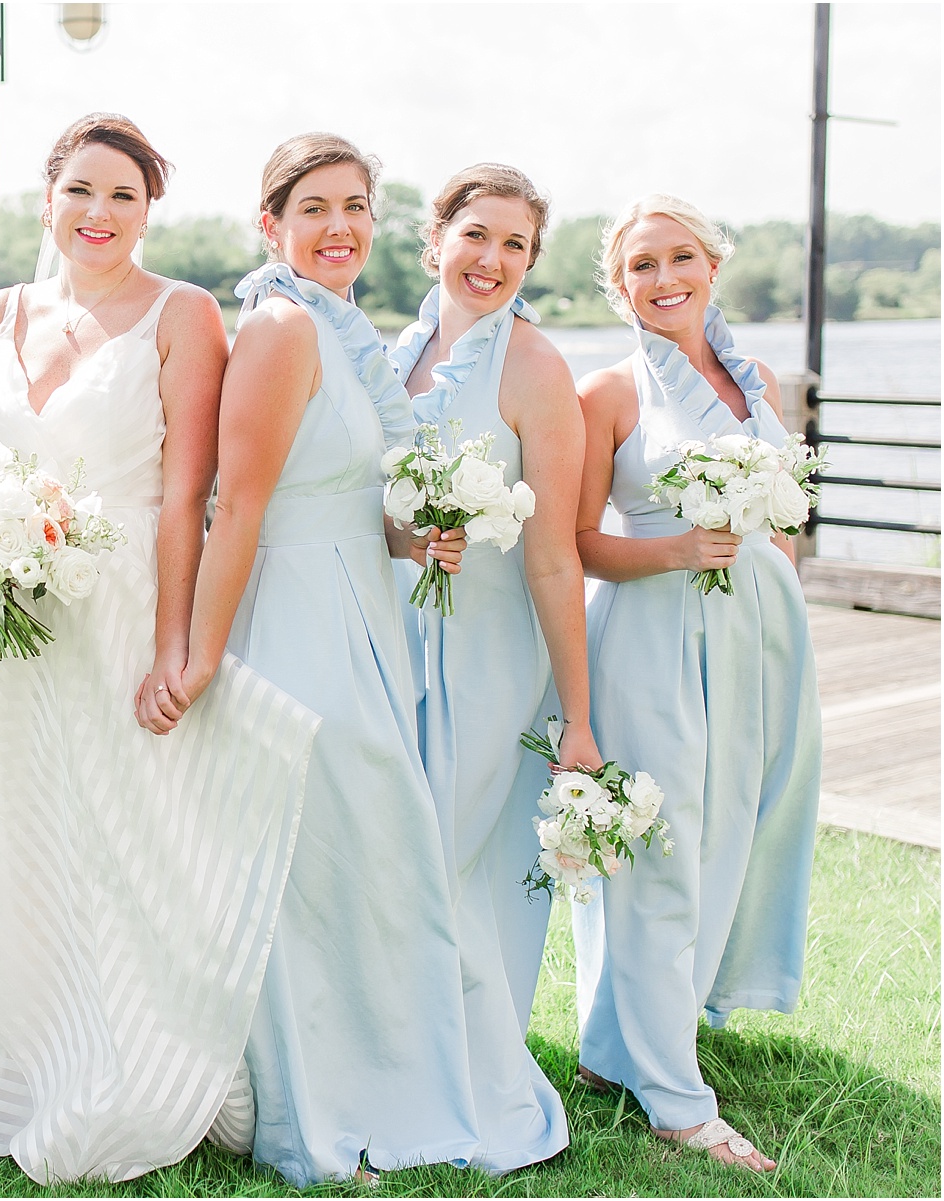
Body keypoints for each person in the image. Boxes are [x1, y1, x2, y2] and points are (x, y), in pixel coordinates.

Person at [0, 113, 317, 1186]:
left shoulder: (184, 316)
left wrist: (176, 644)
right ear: (49, 200)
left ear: (149, 211)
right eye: (81, 191)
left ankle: (130, 1055)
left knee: (120, 835)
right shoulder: (0, 311)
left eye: (124, 196)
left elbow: (187, 494)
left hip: (116, 597)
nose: (100, 214)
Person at [167, 132, 482, 1185]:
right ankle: (312, 1098)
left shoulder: (347, 335)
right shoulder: (280, 328)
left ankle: (387, 1066)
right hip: (297, 623)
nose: (339, 226)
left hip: (363, 609)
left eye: (356, 207)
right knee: (311, 863)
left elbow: (344, 489)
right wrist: (203, 656)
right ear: (272, 225)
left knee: (373, 856)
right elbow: (240, 506)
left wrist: (414, 535)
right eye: (314, 208)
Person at [570, 194, 820, 1173]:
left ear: (713, 266)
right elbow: (576, 541)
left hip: (759, 634)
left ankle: (617, 1047)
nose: (663, 279)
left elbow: (785, 509)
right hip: (652, 629)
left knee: (730, 833)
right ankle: (677, 1101)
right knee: (659, 845)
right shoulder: (609, 393)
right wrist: (677, 549)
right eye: (641, 265)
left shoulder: (753, 381)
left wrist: (782, 587)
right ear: (617, 284)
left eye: (680, 257)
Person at [383, 163, 592, 1172]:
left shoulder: (538, 369)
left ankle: (474, 1071)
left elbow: (556, 552)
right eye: (477, 235)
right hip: (394, 635)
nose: (493, 260)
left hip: (492, 651)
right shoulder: (395, 351)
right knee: (397, 848)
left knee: (451, 856)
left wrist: (580, 719)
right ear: (436, 241)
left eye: (516, 245)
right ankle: (396, 1054)